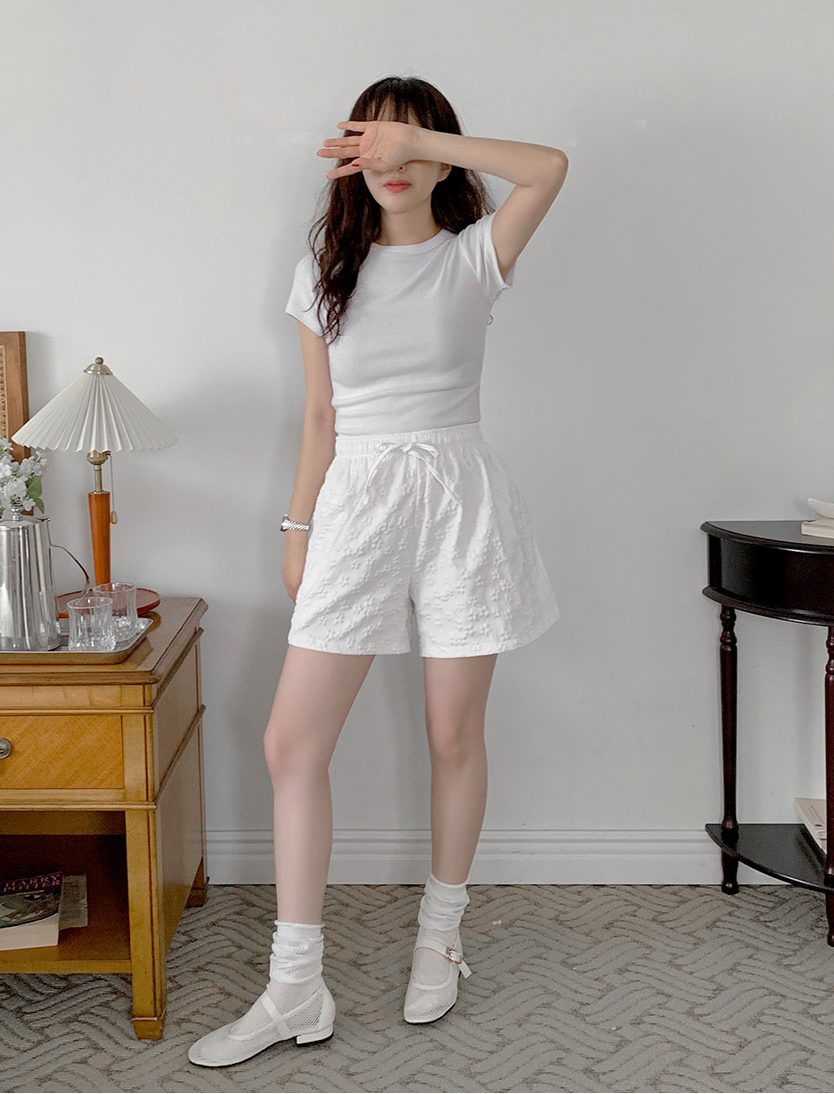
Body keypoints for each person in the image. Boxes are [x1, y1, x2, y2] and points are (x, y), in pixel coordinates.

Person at [189, 76, 567, 1067]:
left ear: (439, 156)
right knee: (289, 742)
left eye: (409, 143)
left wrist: (428, 142)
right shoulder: (324, 269)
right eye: (373, 142)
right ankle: (295, 985)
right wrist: (296, 529)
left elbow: (549, 168)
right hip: (356, 502)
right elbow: (319, 416)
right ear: (351, 158)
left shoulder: (474, 256)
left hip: (460, 498)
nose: (390, 160)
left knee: (453, 732)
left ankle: (440, 936)